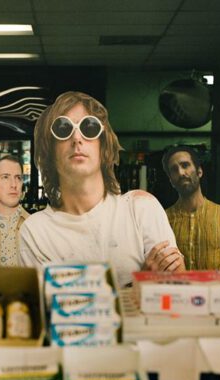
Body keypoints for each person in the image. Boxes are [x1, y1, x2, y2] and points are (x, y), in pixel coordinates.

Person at [19, 91, 185, 286]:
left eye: (89, 127)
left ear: (103, 146)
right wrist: (140, 283)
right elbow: (46, 305)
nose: (77, 138)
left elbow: (177, 291)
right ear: (50, 151)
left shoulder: (140, 209)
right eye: (63, 129)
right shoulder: (36, 232)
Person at [162, 145, 220, 270]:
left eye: (185, 165)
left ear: (199, 171)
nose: (181, 173)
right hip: (178, 284)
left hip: (213, 283)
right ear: (171, 181)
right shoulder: (163, 219)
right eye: (174, 170)